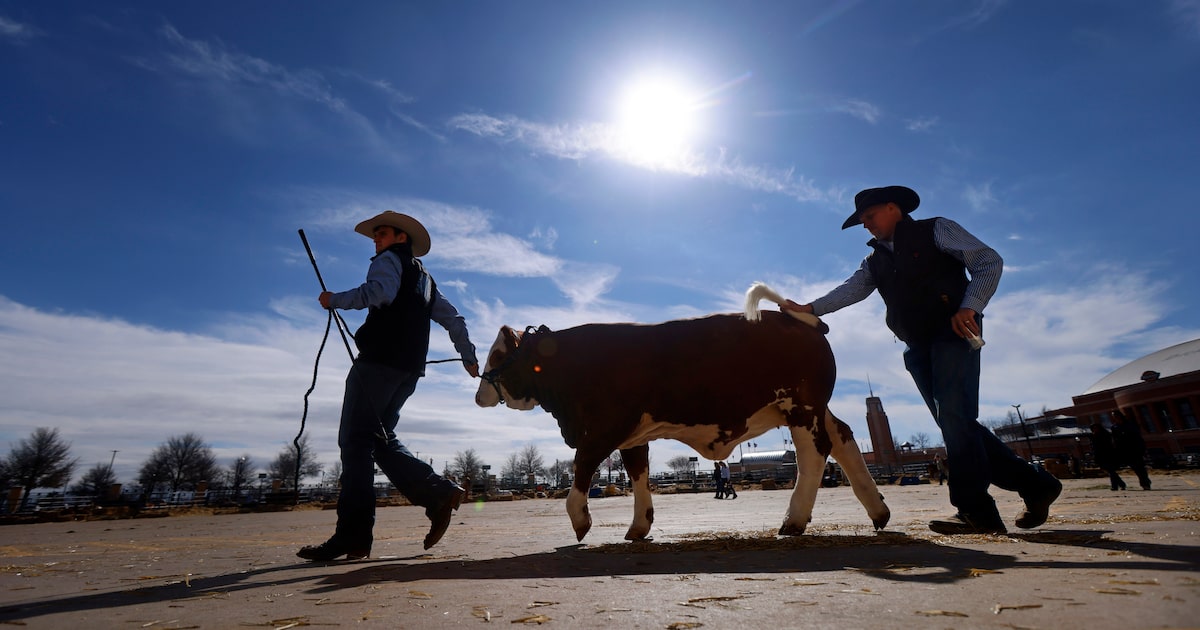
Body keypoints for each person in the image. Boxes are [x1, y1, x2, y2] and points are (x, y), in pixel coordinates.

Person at [781, 185, 1061, 535]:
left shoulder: (936, 229)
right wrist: (809, 309)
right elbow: (851, 289)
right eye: (862, 221)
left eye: (869, 217)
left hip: (954, 332)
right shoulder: (874, 261)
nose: (866, 226)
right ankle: (1035, 485)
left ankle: (976, 511)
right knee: (954, 422)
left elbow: (988, 261)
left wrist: (970, 306)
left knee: (956, 418)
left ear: (892, 208)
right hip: (917, 345)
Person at [298, 211, 480, 561]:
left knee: (355, 442)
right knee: (379, 440)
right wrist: (468, 355)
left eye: (381, 233)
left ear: (400, 237)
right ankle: (437, 493)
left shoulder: (388, 261)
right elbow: (453, 318)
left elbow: (379, 292)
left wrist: (334, 299)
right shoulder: (424, 278)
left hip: (378, 364)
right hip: (407, 371)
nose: (375, 240)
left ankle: (352, 536)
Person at [1111, 409, 1152, 490]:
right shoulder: (1114, 427)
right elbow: (1115, 439)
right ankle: (1145, 481)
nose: (1115, 417)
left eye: (1116, 415)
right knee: (1135, 467)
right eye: (1114, 416)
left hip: (1135, 448)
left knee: (1140, 467)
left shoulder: (1130, 424)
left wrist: (1141, 448)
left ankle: (1145, 483)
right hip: (1125, 450)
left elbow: (1137, 436)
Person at [1090, 423, 1125, 491]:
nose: (1095, 430)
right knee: (1110, 471)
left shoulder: (1105, 434)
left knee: (1111, 471)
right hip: (1100, 456)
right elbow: (1094, 448)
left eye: (1096, 428)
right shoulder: (1094, 436)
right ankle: (1121, 484)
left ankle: (1115, 486)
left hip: (1108, 454)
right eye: (1093, 428)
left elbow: (1109, 444)